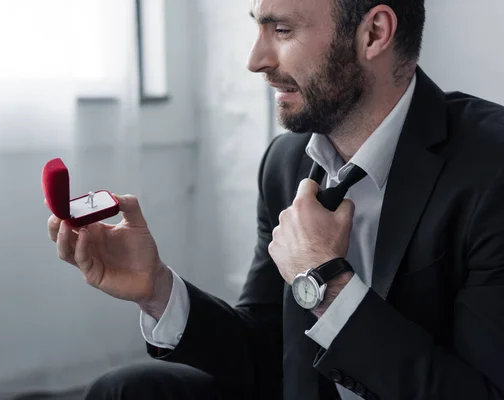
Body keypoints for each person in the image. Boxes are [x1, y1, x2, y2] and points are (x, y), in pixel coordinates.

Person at [47, 0, 504, 399]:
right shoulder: (285, 163)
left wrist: (325, 282)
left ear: (373, 33)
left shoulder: (492, 167)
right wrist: (158, 290)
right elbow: (268, 352)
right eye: (257, 28)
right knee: (126, 390)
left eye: (281, 30)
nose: (256, 59)